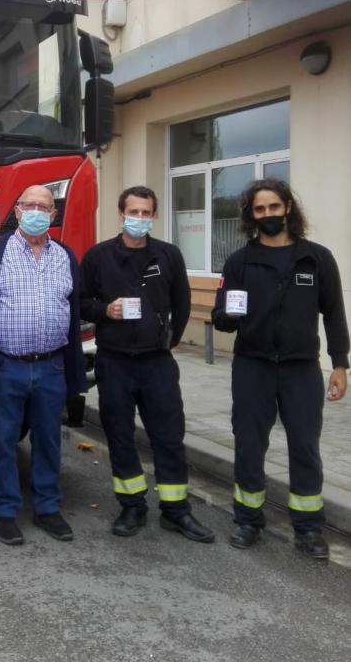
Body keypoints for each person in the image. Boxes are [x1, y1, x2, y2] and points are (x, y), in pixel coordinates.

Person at [212, 179, 348, 558]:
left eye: (274, 207)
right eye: (260, 209)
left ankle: (308, 528)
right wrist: (227, 316)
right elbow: (221, 315)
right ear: (250, 215)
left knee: (305, 446)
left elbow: (335, 314)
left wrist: (340, 365)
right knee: (250, 444)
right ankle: (248, 520)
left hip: (301, 369)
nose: (268, 215)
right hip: (252, 366)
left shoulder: (316, 258)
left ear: (288, 207)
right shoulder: (240, 261)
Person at [80, 186, 215, 543]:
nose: (139, 219)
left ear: (154, 216)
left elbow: (182, 304)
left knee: (169, 436)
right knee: (120, 435)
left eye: (146, 213)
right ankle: (132, 505)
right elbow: (80, 302)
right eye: (133, 212)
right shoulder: (98, 256)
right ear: (120, 214)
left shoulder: (168, 255)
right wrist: (104, 310)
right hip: (114, 361)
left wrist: (168, 340)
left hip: (157, 363)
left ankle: (176, 510)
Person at [0, 185, 85, 545]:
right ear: (17, 211)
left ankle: (47, 508)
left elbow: (74, 307)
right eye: (29, 205)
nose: (36, 211)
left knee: (49, 440)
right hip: (9, 366)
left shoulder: (65, 255)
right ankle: (5, 512)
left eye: (44, 206)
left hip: (52, 366)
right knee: (4, 440)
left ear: (54, 215)